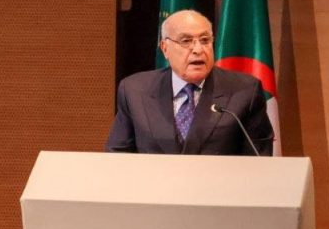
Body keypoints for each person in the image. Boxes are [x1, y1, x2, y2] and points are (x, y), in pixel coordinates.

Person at [105, 10, 273, 155]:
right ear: (165, 48)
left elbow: (258, 161)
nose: (198, 50)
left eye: (205, 40)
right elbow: (118, 156)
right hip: (154, 183)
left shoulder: (245, 91)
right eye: (186, 41)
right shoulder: (135, 91)